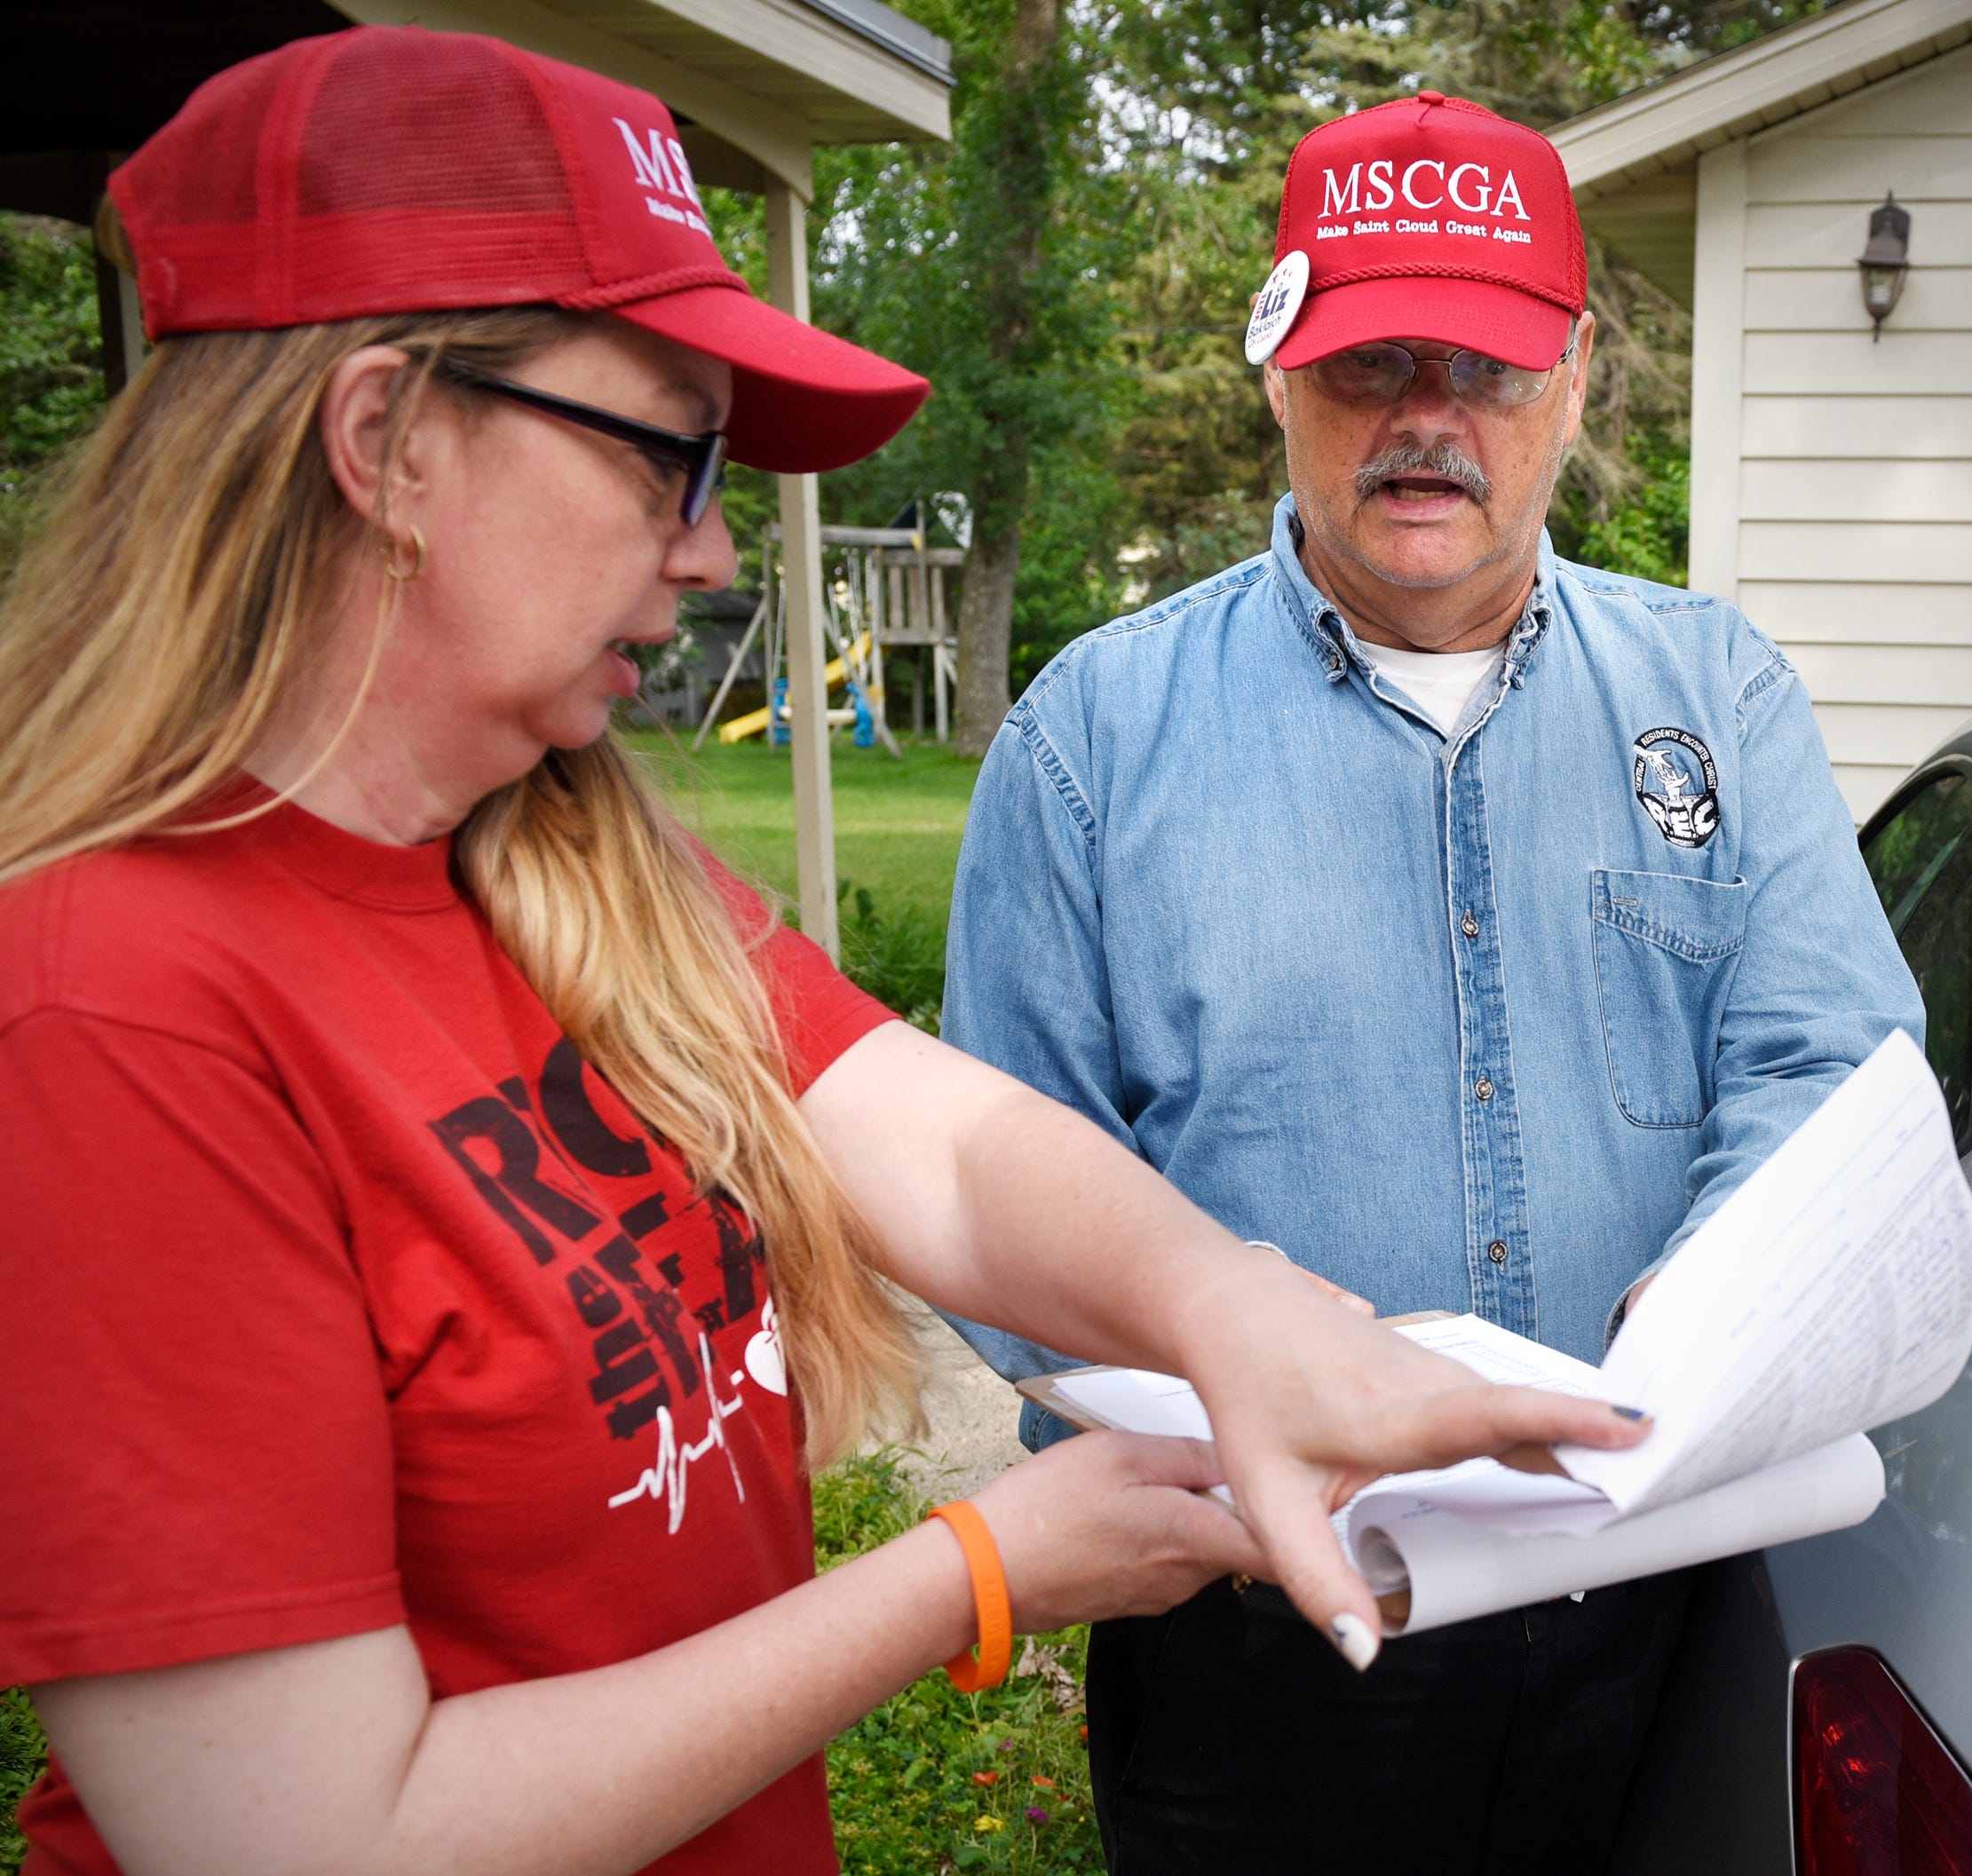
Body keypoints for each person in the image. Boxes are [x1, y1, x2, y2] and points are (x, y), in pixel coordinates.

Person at [0, 39, 1655, 1876]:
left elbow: (940, 1145)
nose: (712, 550)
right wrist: (974, 1573)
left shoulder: (564, 853)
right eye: (671, 455)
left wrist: (1246, 1319)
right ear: (384, 439)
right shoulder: (110, 1008)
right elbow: (305, 1839)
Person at [941, 91, 1926, 1876]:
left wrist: (1725, 1291)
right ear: (1276, 373)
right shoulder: (1089, 741)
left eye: (1475, 366)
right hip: (1258, 1639)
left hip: (1657, 1603)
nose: (1424, 419)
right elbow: (999, 1196)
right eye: (1367, 361)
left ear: (1572, 375)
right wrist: (1232, 1347)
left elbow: (1824, 1059)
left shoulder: (1714, 696)